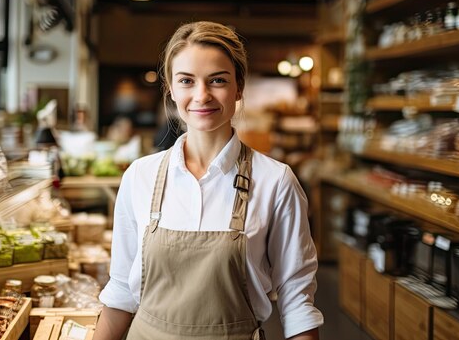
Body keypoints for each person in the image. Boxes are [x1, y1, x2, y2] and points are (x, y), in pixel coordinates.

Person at [94, 21, 323, 340]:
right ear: (171, 89)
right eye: (186, 81)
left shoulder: (276, 181)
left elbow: (297, 304)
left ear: (238, 87)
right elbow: (120, 292)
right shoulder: (139, 176)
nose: (202, 96)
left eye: (217, 80)